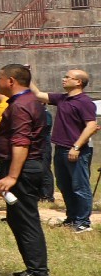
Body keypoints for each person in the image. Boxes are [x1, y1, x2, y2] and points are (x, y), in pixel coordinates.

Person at [0, 64, 53, 276]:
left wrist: (12, 177)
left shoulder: (20, 106)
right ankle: (34, 268)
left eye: (0, 79)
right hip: (23, 168)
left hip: (24, 170)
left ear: (11, 81)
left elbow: (21, 142)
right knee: (19, 220)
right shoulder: (24, 102)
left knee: (26, 220)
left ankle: (39, 274)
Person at [42, 68, 96, 233]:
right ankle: (72, 217)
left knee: (80, 186)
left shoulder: (84, 102)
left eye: (68, 77)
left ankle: (83, 222)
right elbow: (38, 95)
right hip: (60, 149)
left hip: (76, 150)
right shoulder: (63, 99)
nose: (63, 79)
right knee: (64, 185)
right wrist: (25, 76)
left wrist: (76, 146)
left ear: (78, 82)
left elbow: (91, 126)